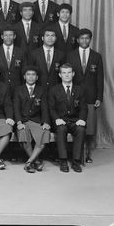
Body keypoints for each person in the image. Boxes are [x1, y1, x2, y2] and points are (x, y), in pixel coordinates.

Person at [66, 29, 104, 163]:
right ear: (77, 40)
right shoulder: (70, 55)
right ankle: (76, 153)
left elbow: (100, 78)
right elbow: (66, 75)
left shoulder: (96, 56)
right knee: (76, 124)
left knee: (89, 127)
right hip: (74, 96)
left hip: (90, 97)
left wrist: (99, 97)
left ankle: (87, 153)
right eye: (81, 38)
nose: (84, 41)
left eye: (87, 38)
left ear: (90, 39)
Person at [48, 63, 88, 173]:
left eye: (69, 72)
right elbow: (51, 108)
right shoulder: (54, 90)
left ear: (73, 74)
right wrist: (56, 118)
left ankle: (76, 161)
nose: (67, 75)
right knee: (61, 129)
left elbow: (84, 108)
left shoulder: (80, 90)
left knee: (81, 130)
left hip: (75, 120)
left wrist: (82, 119)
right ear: (60, 75)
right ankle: (63, 160)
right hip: (61, 120)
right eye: (64, 73)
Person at [13, 66, 50, 173]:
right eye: (28, 74)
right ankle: (36, 161)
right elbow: (16, 108)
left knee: (45, 132)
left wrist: (46, 122)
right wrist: (19, 122)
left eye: (33, 75)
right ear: (24, 76)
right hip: (23, 121)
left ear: (37, 77)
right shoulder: (18, 90)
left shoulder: (41, 90)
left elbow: (45, 108)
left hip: (36, 120)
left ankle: (29, 162)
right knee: (22, 133)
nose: (31, 77)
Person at [0, 27, 26, 94]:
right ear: (2, 37)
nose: (8, 37)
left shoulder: (20, 52)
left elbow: (24, 72)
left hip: (17, 88)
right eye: (6, 35)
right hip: (0, 88)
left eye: (10, 35)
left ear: (14, 36)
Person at [28, 27, 66, 91]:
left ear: (56, 38)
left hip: (56, 89)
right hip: (38, 89)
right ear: (42, 38)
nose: (50, 38)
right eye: (47, 35)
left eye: (52, 36)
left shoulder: (61, 55)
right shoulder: (34, 54)